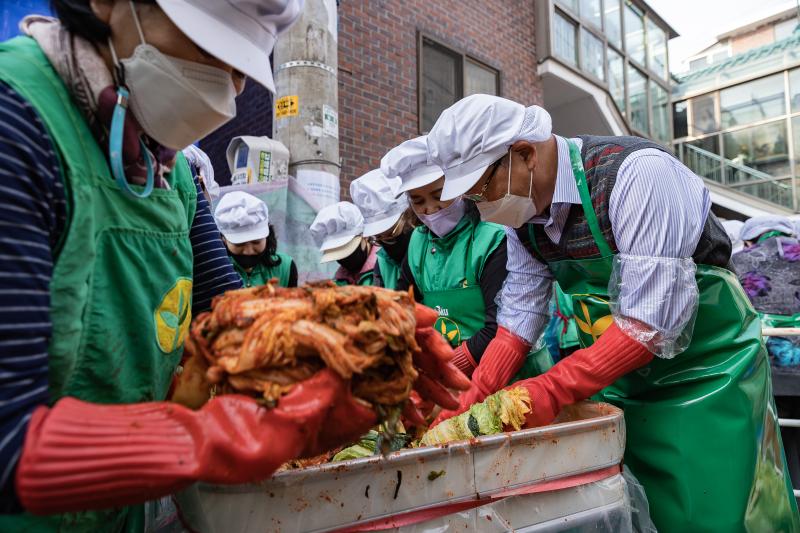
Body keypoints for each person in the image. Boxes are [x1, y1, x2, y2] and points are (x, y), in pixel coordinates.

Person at [0, 1, 467, 529]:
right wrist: (214, 437)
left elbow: (232, 315)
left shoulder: (173, 172)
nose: (234, 87)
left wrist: (368, 324)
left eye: (244, 64)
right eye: (212, 45)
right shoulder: (16, 124)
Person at [429, 94, 799, 531]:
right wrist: (472, 403)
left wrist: (550, 389)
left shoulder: (638, 176)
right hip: (620, 386)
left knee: (722, 512)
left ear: (524, 154)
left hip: (710, 379)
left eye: (480, 189)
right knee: (643, 513)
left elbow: (647, 322)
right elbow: (517, 320)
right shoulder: (525, 225)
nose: (480, 205)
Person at [382, 135, 513, 379]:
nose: (430, 210)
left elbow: (504, 326)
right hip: (449, 375)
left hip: (507, 375)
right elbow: (405, 311)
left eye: (439, 195)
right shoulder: (417, 243)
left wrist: (449, 365)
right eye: (418, 201)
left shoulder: (492, 237)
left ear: (460, 188)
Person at [214, 191, 298, 288]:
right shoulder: (215, 272)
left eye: (256, 242)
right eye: (239, 244)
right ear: (223, 239)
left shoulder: (285, 267)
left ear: (267, 236)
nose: (248, 251)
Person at [349, 169, 413, 289]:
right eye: (378, 238)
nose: (384, 242)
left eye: (390, 234)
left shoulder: (424, 253)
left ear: (409, 215)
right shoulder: (382, 262)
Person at [310, 201, 377, 286]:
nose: (345, 258)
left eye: (346, 248)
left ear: (365, 236)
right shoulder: (339, 281)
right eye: (337, 254)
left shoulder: (387, 269)